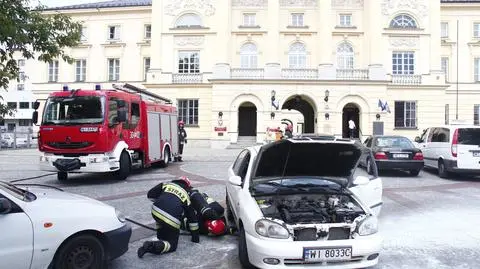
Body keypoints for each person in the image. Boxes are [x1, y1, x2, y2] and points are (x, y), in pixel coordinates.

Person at [137, 176, 199, 258]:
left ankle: (160, 236)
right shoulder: (186, 196)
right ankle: (152, 246)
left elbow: (150, 194)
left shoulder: (166, 185)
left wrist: (161, 200)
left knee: (160, 218)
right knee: (172, 245)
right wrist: (195, 238)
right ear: (187, 186)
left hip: (155, 211)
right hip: (172, 219)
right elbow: (192, 220)